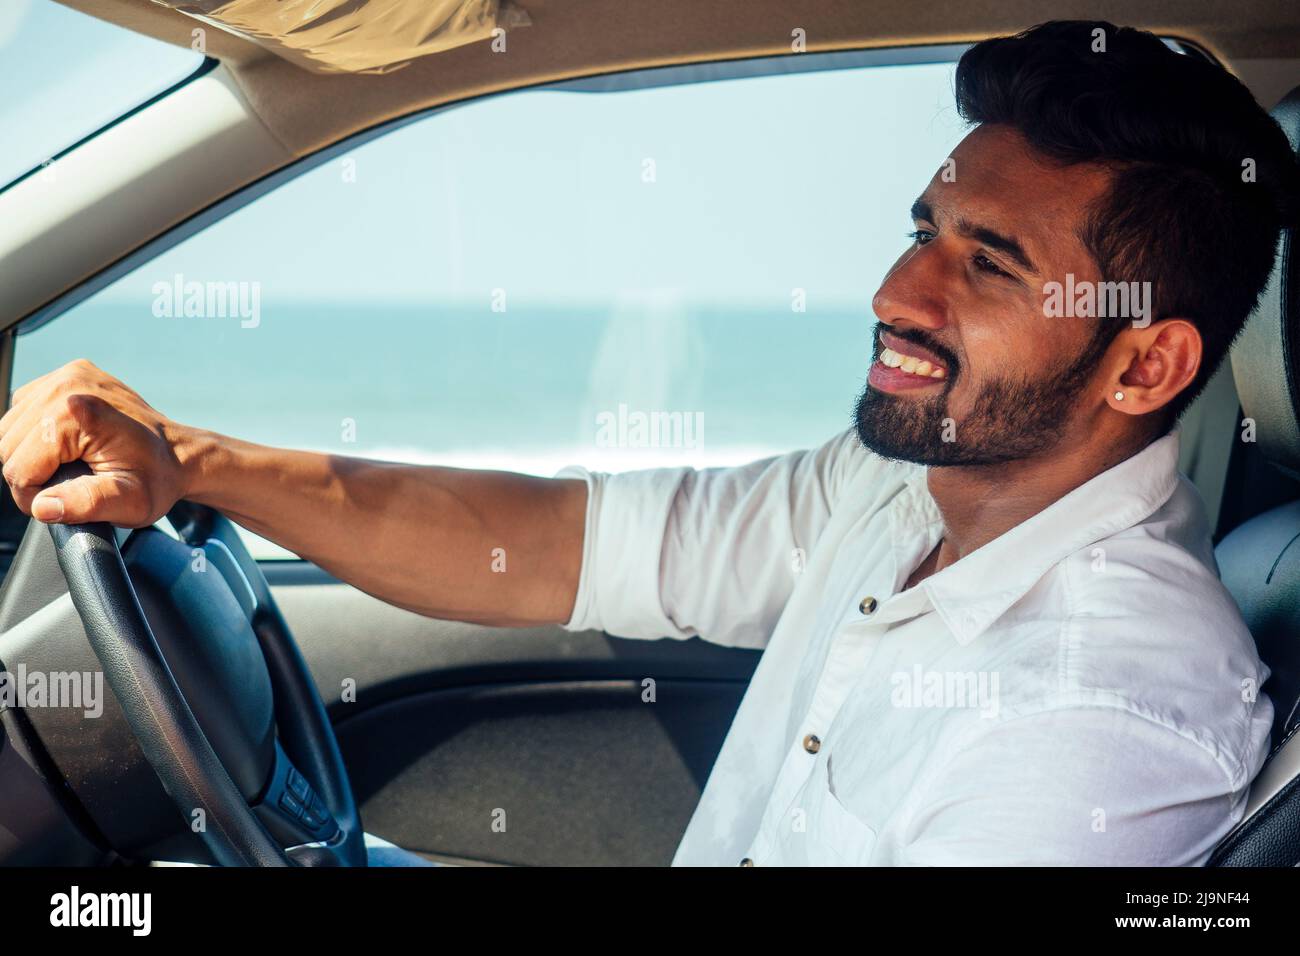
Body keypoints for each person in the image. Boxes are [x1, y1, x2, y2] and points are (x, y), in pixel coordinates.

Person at [3, 20, 1298, 865]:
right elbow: (551, 543)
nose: (899, 295)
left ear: (1148, 363)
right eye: (924, 230)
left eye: (989, 265)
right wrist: (189, 462)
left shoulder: (1099, 723)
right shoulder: (904, 491)